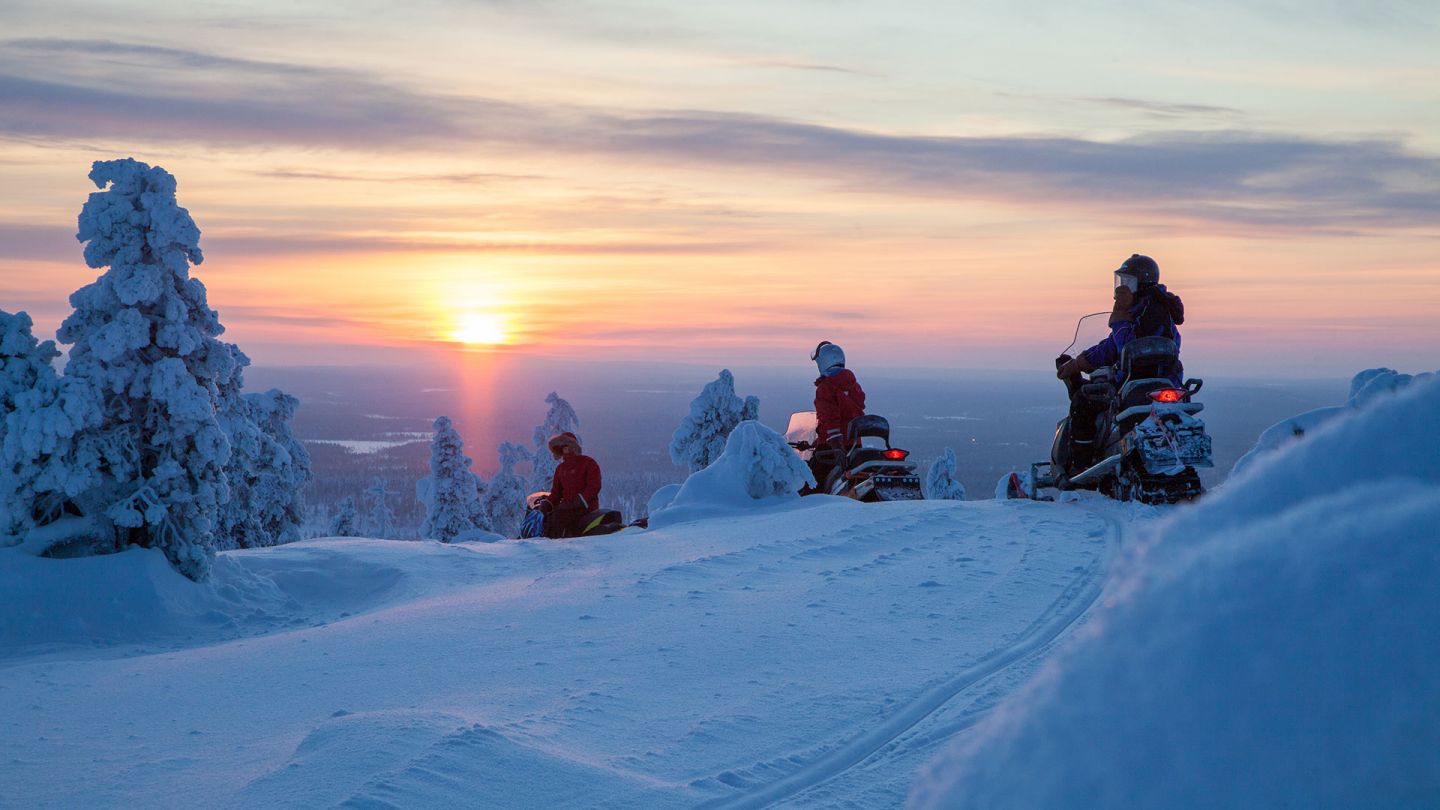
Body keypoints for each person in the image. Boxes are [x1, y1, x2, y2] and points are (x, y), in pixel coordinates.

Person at [1056, 254, 1185, 474]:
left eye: (1128, 282)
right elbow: (1111, 347)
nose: (1122, 287)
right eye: (1121, 281)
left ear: (1141, 283)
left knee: (1082, 402)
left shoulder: (1147, 312)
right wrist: (1080, 362)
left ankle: (1082, 467)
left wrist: (1120, 319)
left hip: (1135, 383)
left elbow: (1126, 347)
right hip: (1166, 381)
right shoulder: (1153, 307)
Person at [808, 340, 867, 489]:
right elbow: (858, 410)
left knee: (812, 483)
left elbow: (829, 418)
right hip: (855, 446)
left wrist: (835, 445)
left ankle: (812, 511)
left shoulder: (825, 387)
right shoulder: (853, 385)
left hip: (833, 448)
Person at [535, 432, 602, 539]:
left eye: (566, 446)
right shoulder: (560, 469)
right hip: (566, 507)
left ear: (573, 447)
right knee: (546, 518)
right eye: (561, 448)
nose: (564, 450)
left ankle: (558, 547)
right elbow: (556, 493)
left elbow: (594, 486)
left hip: (586, 508)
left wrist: (579, 501)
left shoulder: (588, 463)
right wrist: (547, 504)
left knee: (559, 518)